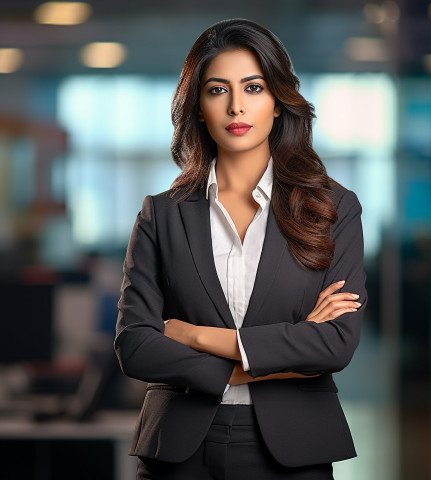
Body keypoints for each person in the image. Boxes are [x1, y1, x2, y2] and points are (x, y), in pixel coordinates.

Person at [115, 18, 367, 480]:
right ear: (198, 108)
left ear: (277, 102)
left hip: (295, 447)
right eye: (217, 90)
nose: (236, 107)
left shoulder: (334, 209)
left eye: (253, 87)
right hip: (176, 450)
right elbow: (135, 345)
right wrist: (270, 358)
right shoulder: (161, 215)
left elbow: (334, 344)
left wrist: (193, 336)